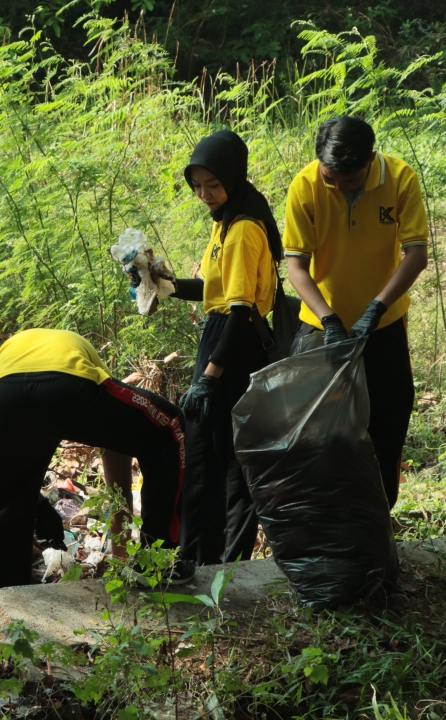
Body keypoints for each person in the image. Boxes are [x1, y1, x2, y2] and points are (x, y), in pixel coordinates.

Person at [0, 328, 192, 607]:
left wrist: (39, 507)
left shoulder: (16, 349)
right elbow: (116, 449)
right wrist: (122, 553)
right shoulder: (79, 353)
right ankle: (157, 564)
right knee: (169, 425)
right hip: (64, 382)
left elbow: (9, 478)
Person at [282, 116, 429, 510]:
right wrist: (329, 319)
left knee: (389, 417)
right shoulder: (306, 185)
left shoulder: (400, 179)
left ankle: (379, 514)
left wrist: (377, 307)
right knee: (318, 429)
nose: (337, 186)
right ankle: (324, 518)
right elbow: (296, 266)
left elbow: (416, 255)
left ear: (369, 160)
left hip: (384, 325)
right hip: (321, 327)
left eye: (347, 180)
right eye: (330, 177)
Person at [167, 129, 280, 566]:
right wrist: (166, 284)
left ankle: (203, 562)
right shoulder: (228, 219)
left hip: (234, 344)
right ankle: (215, 560)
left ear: (232, 177)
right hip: (225, 335)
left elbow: (239, 309)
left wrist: (209, 379)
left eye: (212, 185)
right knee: (222, 457)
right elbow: (213, 291)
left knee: (206, 459)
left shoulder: (244, 229)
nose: (204, 195)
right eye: (197, 187)